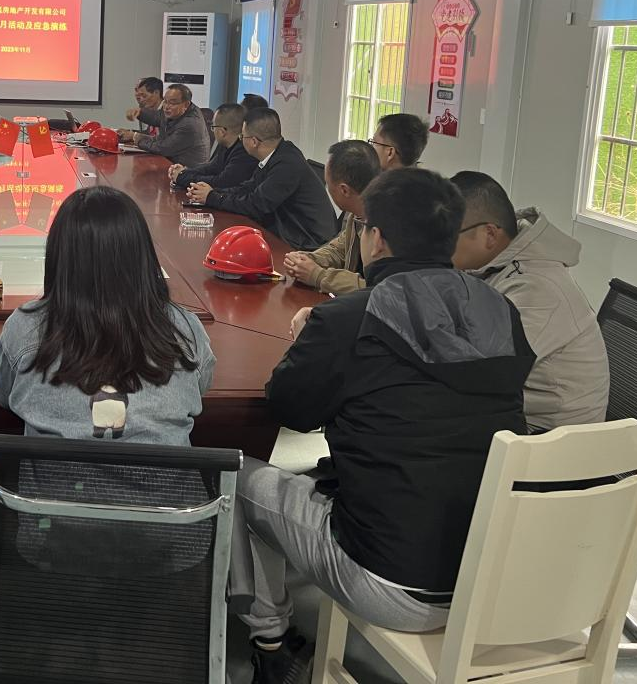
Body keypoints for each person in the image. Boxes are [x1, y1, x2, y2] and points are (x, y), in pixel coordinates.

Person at [229, 168, 534, 683]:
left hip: (391, 584)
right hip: (491, 575)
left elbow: (290, 410)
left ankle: (273, 642)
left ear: (376, 238)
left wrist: (308, 340)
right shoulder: (500, 310)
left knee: (234, 476)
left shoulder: (347, 319)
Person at [0, 186, 214, 444]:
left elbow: (2, 392)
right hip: (164, 473)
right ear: (142, 254)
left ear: (58, 256)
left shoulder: (24, 327)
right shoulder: (185, 330)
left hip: (53, 473)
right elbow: (200, 387)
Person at [451, 171, 610, 432]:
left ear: (489, 234)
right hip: (512, 417)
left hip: (550, 440)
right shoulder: (494, 266)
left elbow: (476, 372)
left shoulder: (537, 289)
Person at [186, 107, 336, 251]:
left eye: (242, 136)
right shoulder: (277, 154)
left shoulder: (287, 163)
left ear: (253, 141)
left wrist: (213, 197)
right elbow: (248, 188)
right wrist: (210, 193)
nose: (240, 140)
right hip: (288, 232)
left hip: (306, 241)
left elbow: (256, 205)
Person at [282, 140, 380, 295]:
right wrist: (306, 260)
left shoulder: (387, 227)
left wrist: (318, 275)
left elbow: (376, 290)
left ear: (344, 190)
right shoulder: (356, 213)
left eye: (327, 184)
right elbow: (339, 250)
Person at [117, 83, 210, 168]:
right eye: (165, 101)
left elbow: (163, 148)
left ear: (186, 104)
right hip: (171, 165)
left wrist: (137, 139)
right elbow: (157, 117)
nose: (166, 106)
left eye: (172, 103)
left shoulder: (190, 124)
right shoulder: (177, 112)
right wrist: (139, 113)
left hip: (187, 173)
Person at [169, 102, 257, 190]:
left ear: (222, 132)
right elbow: (211, 168)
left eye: (213, 127)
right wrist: (184, 172)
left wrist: (181, 177)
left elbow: (220, 182)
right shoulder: (226, 144)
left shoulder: (244, 153)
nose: (213, 131)